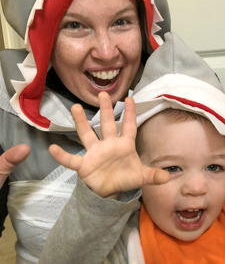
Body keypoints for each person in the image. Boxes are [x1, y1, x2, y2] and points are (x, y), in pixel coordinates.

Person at [0, 0, 171, 262]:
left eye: (121, 21)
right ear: (45, 38)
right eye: (75, 25)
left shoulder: (187, 97)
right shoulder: (6, 112)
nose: (106, 52)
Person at [38, 32, 225, 263]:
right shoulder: (127, 242)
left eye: (215, 167)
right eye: (172, 168)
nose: (197, 188)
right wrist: (96, 204)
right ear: (137, 170)